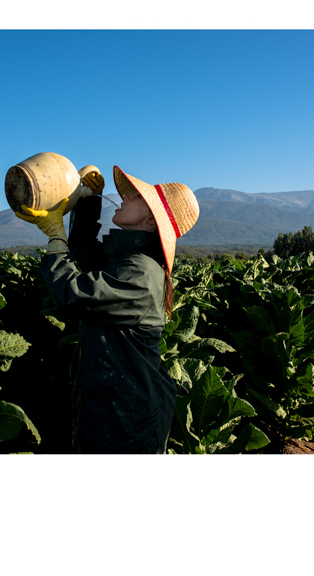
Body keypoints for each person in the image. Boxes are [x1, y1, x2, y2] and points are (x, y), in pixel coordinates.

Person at [25, 165, 200, 454]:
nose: (124, 197)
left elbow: (73, 294)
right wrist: (89, 199)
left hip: (126, 418)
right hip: (119, 405)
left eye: (137, 197)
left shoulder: (140, 271)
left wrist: (55, 237)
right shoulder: (130, 258)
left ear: (150, 221)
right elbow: (84, 250)